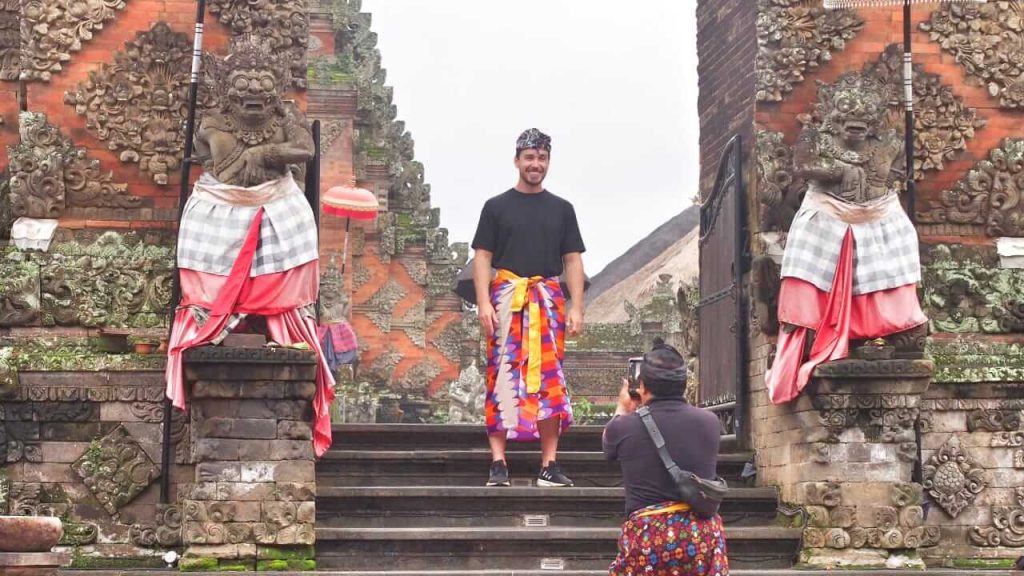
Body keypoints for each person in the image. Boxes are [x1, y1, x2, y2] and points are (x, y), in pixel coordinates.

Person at [471, 128, 586, 488]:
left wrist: (577, 306)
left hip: (547, 301)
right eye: (530, 157)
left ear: (548, 161)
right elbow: (482, 257)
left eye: (542, 158)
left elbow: (573, 260)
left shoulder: (562, 209)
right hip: (506, 299)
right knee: (501, 375)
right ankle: (498, 463)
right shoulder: (495, 207)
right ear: (517, 160)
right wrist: (484, 302)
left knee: (550, 381)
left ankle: (549, 465)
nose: (536, 164)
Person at [603, 340, 729, 575]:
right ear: (683, 385)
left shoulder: (622, 427)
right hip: (700, 539)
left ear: (642, 387)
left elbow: (609, 449)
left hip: (649, 539)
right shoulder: (710, 423)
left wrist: (623, 408)